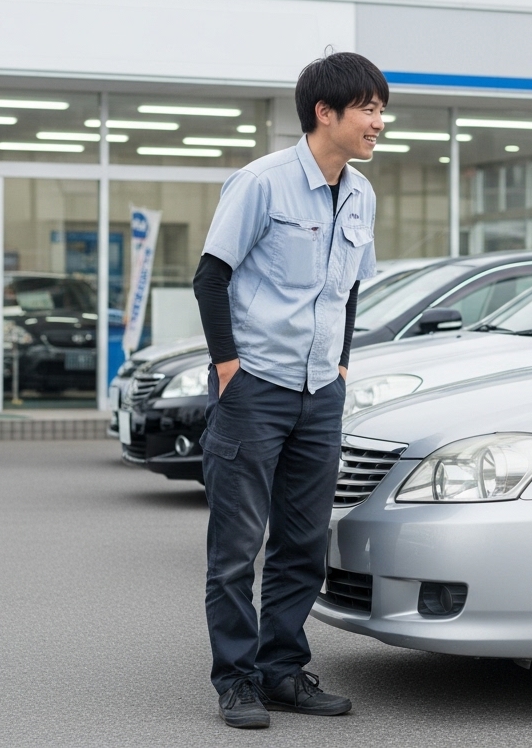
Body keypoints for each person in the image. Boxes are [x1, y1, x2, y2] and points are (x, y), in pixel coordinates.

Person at [191, 51, 386, 730]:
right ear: (323, 113)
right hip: (256, 389)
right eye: (366, 107)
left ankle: (281, 670)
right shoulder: (262, 183)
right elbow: (210, 277)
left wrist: (340, 366)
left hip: (319, 392)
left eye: (380, 108)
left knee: (303, 543)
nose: (377, 121)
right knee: (237, 546)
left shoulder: (360, 194)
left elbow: (351, 287)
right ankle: (236, 681)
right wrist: (227, 369)